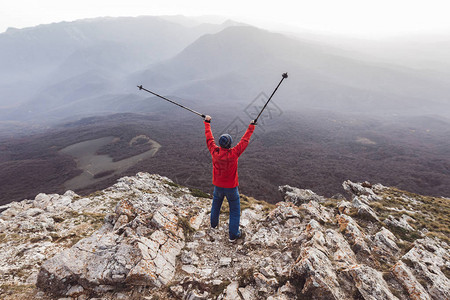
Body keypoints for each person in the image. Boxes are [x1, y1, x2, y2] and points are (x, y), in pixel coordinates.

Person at [203, 115, 256, 242]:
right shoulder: (234, 153)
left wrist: (207, 122)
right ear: (230, 144)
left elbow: (209, 138)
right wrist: (251, 126)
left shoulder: (214, 152)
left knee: (216, 205)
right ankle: (233, 235)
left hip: (218, 186)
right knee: (234, 211)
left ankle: (213, 226)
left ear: (220, 144)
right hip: (231, 188)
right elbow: (245, 140)